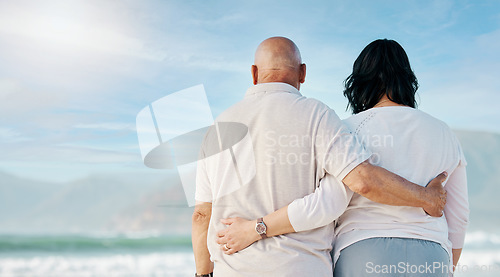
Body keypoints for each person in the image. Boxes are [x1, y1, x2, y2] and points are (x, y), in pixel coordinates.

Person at [192, 37, 447, 277]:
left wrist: (203, 274)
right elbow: (357, 183)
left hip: (235, 268)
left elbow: (202, 215)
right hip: (302, 267)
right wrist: (426, 197)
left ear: (254, 73)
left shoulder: (217, 128)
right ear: (302, 72)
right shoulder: (318, 115)